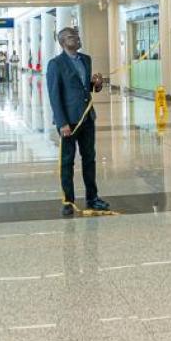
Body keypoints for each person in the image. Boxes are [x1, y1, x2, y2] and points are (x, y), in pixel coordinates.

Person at [46, 27, 109, 216]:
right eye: (73, 37)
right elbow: (54, 95)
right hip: (69, 122)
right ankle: (68, 200)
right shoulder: (56, 64)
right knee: (67, 161)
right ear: (63, 41)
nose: (78, 39)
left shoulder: (85, 59)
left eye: (78, 35)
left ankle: (93, 197)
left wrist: (96, 85)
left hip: (87, 118)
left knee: (89, 159)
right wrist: (62, 122)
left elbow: (84, 88)